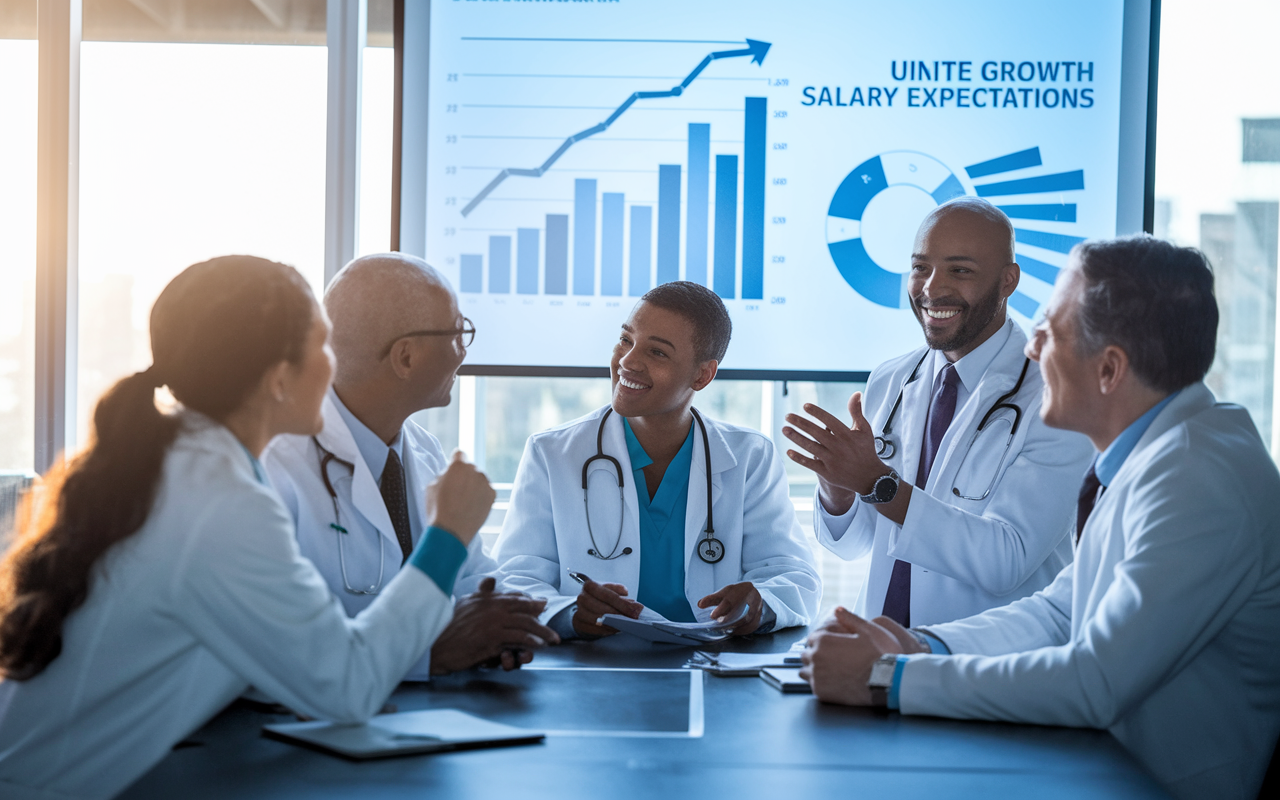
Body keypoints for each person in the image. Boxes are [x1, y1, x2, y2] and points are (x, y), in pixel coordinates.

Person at [800, 236, 1280, 800]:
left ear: (1109, 370)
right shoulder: (1155, 457)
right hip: (1104, 768)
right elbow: (1057, 614)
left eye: (1051, 330)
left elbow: (1094, 680)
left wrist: (887, 677)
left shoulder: (1199, 477)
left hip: (1161, 786)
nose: (1031, 349)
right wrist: (918, 646)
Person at [0, 256, 496, 800]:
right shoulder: (216, 500)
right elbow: (347, 685)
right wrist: (448, 535)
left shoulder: (189, 462)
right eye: (324, 347)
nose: (338, 366)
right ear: (279, 378)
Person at [783, 197, 1093, 627]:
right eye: (920, 267)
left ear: (1008, 281)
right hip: (878, 656)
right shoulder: (890, 380)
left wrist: (875, 482)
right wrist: (839, 487)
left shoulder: (1058, 396)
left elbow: (1007, 559)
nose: (931, 288)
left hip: (990, 668)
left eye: (959, 270)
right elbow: (856, 545)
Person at [263, 253, 556, 678]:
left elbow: (472, 577)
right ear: (405, 358)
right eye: (458, 334)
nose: (462, 353)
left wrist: (502, 625)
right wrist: (430, 655)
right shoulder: (277, 464)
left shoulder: (423, 450)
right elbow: (286, 649)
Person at [494, 281, 820, 638]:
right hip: (594, 664)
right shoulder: (552, 453)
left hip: (713, 665)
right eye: (625, 340)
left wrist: (762, 600)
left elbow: (794, 575)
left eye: (657, 353)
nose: (629, 361)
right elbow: (515, 575)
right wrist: (569, 613)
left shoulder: (748, 457)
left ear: (702, 374)